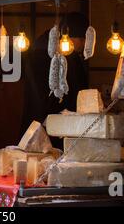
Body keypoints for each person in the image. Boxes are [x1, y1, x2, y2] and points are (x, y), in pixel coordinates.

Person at [21, 12, 89, 148]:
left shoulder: (40, 50)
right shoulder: (63, 57)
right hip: (53, 128)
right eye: (81, 40)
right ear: (70, 37)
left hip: (41, 124)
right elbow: (75, 92)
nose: (83, 45)